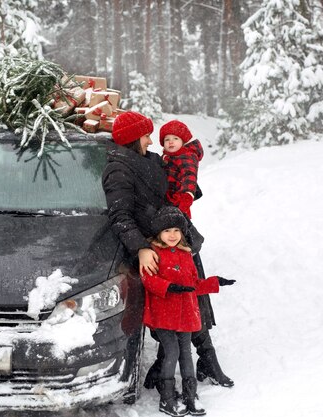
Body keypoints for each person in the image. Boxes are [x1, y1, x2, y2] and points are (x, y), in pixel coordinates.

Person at [101, 111, 234, 393]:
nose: (152, 140)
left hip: (174, 237)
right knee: (173, 302)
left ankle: (206, 360)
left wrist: (186, 184)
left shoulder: (147, 159)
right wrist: (141, 249)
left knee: (194, 296)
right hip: (155, 246)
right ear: (134, 139)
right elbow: (120, 215)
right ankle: (167, 366)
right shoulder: (118, 170)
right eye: (146, 135)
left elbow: (176, 180)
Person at [141, 206, 235, 416]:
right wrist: (169, 287)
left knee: (186, 354)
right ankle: (167, 398)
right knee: (171, 352)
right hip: (164, 315)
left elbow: (194, 284)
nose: (172, 235)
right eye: (167, 231)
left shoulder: (186, 255)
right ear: (159, 234)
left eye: (176, 230)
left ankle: (190, 396)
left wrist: (215, 282)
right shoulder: (153, 254)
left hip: (186, 316)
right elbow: (148, 280)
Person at [159, 120, 203, 219]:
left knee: (179, 227)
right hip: (165, 201)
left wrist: (187, 196)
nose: (171, 142)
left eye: (175, 138)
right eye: (167, 139)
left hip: (179, 202)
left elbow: (189, 175)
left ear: (183, 142)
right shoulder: (166, 157)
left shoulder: (187, 156)